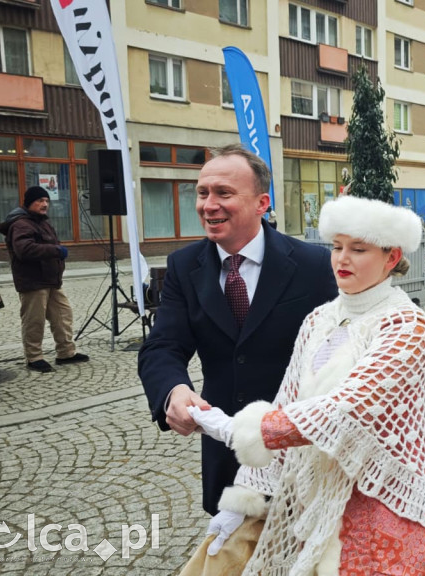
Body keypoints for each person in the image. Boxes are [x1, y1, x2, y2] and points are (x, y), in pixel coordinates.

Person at [185, 196, 425, 575]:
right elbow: (287, 398)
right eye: (336, 247)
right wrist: (242, 499)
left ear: (391, 257)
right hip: (318, 493)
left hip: (384, 496)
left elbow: (349, 407)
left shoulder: (409, 326)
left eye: (358, 249)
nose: (342, 259)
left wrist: (253, 429)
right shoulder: (319, 319)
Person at [139, 144, 337, 515]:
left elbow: (340, 350)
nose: (208, 205)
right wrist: (173, 391)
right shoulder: (183, 266)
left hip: (299, 446)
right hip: (227, 450)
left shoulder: (313, 263)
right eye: (202, 193)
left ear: (262, 203)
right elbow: (163, 345)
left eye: (223, 193)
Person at [0, 186, 87, 373]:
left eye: (46, 201)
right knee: (34, 320)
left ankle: (66, 352)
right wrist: (55, 251)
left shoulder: (42, 222)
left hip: (51, 279)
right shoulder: (21, 224)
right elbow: (25, 249)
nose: (44, 204)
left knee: (63, 315)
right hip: (33, 281)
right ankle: (34, 357)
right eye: (40, 201)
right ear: (29, 203)